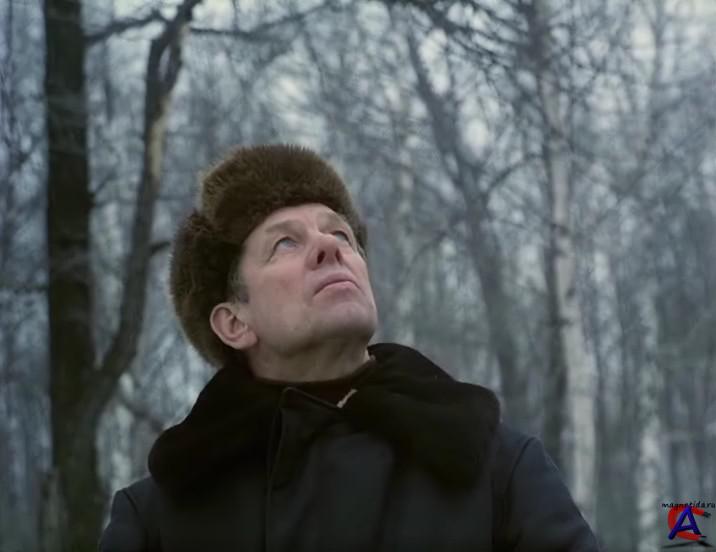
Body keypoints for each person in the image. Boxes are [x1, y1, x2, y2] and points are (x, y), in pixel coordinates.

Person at [99, 144, 600, 551]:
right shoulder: (158, 519)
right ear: (234, 322)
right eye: (285, 243)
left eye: (340, 232)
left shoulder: (498, 469)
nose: (330, 246)